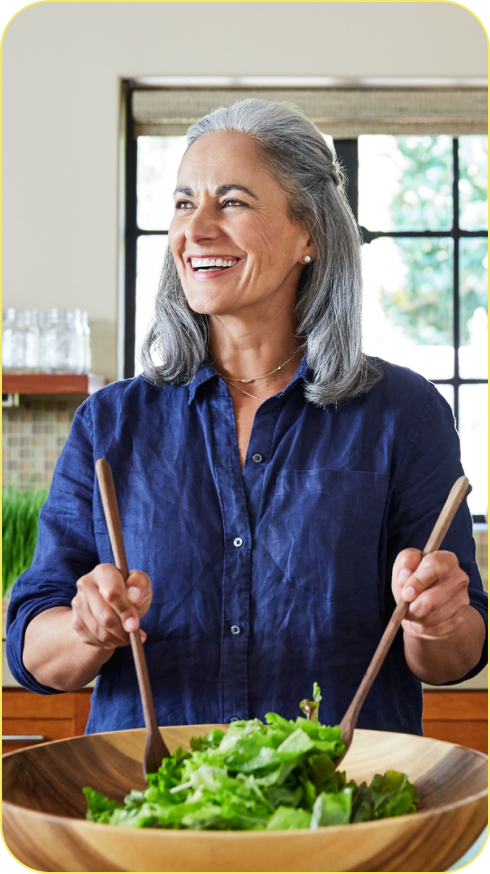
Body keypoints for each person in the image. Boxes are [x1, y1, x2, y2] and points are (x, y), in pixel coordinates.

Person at [7, 99, 487, 736]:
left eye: (230, 202)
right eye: (183, 203)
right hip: (156, 810)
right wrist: (86, 628)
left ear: (308, 233)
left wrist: (438, 620)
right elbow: (34, 649)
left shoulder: (405, 414)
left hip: (341, 809)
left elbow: (455, 657)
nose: (196, 230)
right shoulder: (110, 423)